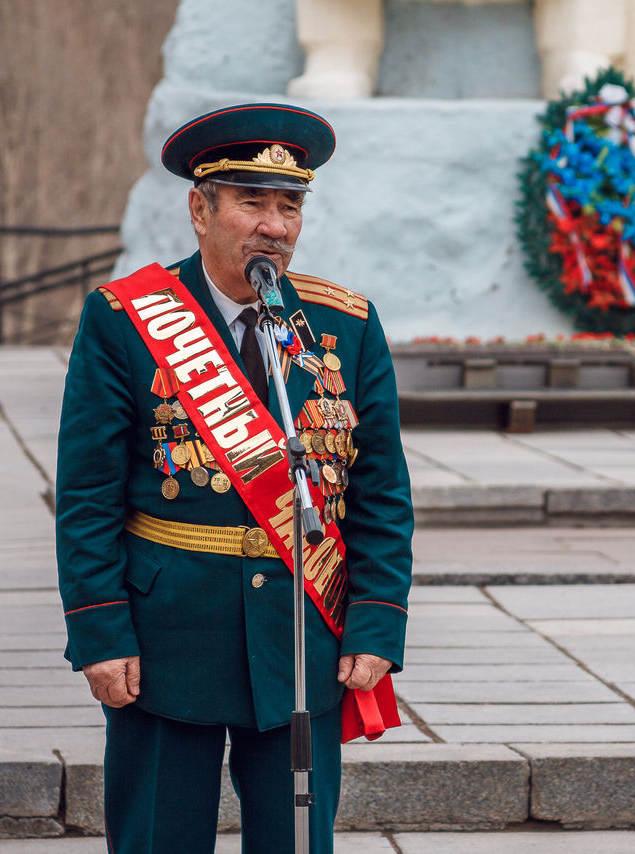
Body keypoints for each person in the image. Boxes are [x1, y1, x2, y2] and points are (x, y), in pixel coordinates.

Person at [55, 102, 414, 853]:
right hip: (167, 637)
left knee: (294, 840)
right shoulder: (125, 320)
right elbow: (86, 496)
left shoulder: (343, 326)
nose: (274, 227)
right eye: (252, 202)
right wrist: (99, 632)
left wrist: (376, 623)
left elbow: (380, 495)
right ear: (200, 208)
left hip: (300, 635)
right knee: (159, 836)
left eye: (289, 206)